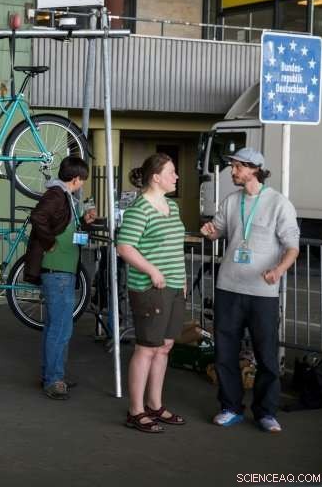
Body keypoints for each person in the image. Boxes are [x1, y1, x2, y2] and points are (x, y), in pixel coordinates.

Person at [200, 148, 299, 433]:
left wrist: (279, 270)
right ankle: (230, 407)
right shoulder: (232, 201)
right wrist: (210, 231)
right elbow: (216, 230)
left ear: (254, 168)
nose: (232, 171)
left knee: (267, 355)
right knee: (225, 352)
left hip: (263, 293)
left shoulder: (279, 203)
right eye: (232, 166)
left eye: (237, 167)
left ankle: (266, 412)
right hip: (228, 287)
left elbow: (293, 247)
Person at [117, 153, 187, 433]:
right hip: (150, 288)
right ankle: (136, 410)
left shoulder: (172, 206)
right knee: (146, 348)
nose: (176, 176)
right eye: (172, 172)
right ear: (156, 177)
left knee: (165, 346)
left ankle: (155, 405)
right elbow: (125, 247)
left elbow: (175, 247)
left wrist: (179, 279)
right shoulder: (139, 209)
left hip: (173, 286)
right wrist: (152, 271)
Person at [24, 156, 96, 400]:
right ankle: (54, 379)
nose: (82, 184)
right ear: (76, 179)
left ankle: (53, 375)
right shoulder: (57, 194)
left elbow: (59, 224)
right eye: (82, 180)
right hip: (58, 271)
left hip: (62, 270)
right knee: (61, 328)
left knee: (56, 327)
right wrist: (50, 243)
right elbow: (38, 218)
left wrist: (84, 221)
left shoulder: (64, 195)